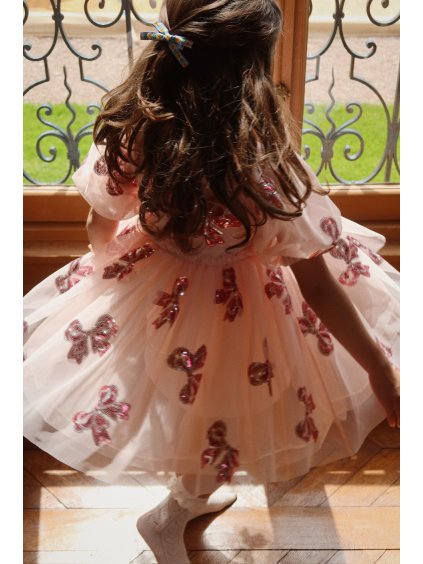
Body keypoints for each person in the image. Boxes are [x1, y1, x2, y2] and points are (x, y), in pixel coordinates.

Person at [23, 0, 400, 562]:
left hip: (163, 289)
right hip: (239, 309)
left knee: (193, 406)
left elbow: (100, 221)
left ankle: (190, 496)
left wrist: (108, 270)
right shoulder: (262, 162)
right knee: (219, 410)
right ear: (252, 72)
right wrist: (378, 369)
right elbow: (317, 284)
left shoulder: (140, 124)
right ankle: (169, 516)